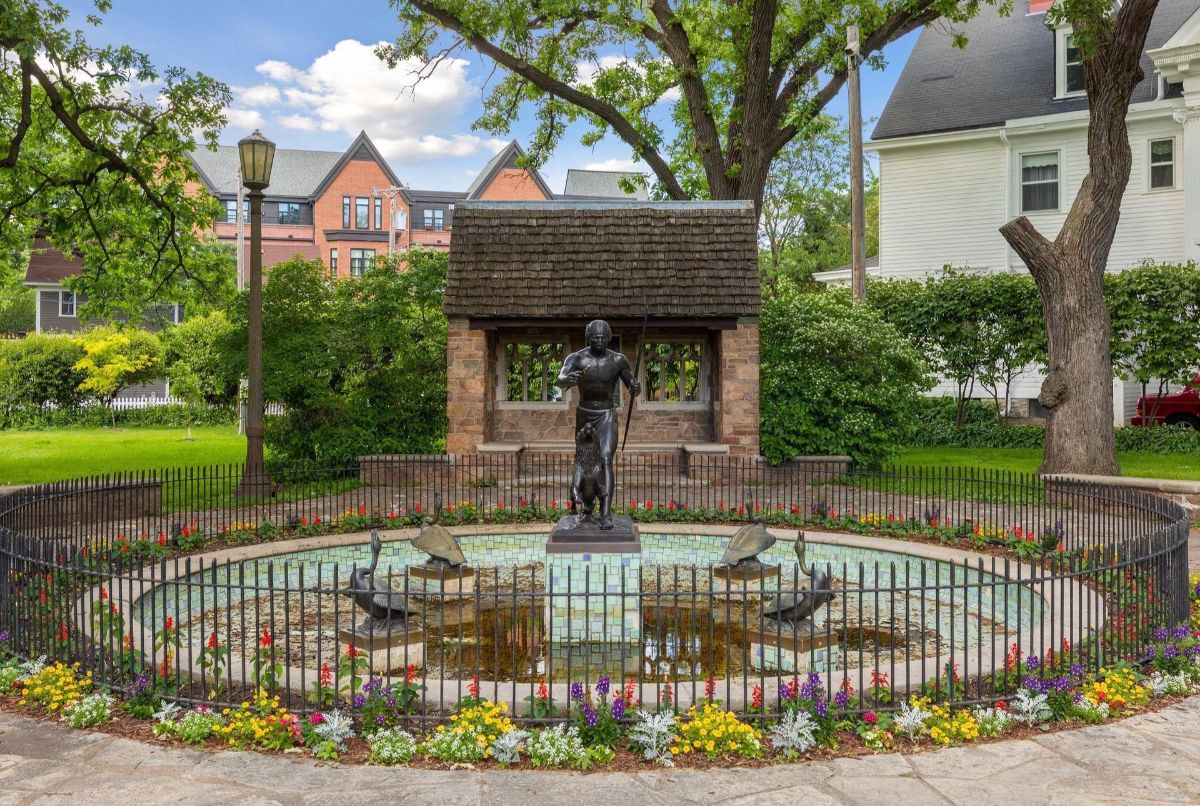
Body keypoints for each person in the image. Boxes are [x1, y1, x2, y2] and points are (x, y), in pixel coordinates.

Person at [556, 319, 640, 529]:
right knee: (584, 464)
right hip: (585, 415)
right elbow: (560, 379)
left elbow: (630, 382)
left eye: (603, 337)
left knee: (605, 459)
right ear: (589, 338)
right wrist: (568, 380)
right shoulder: (576, 358)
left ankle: (605, 514)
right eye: (595, 337)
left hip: (606, 415)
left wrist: (634, 387)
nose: (600, 341)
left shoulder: (618, 360)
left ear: (609, 338)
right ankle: (587, 508)